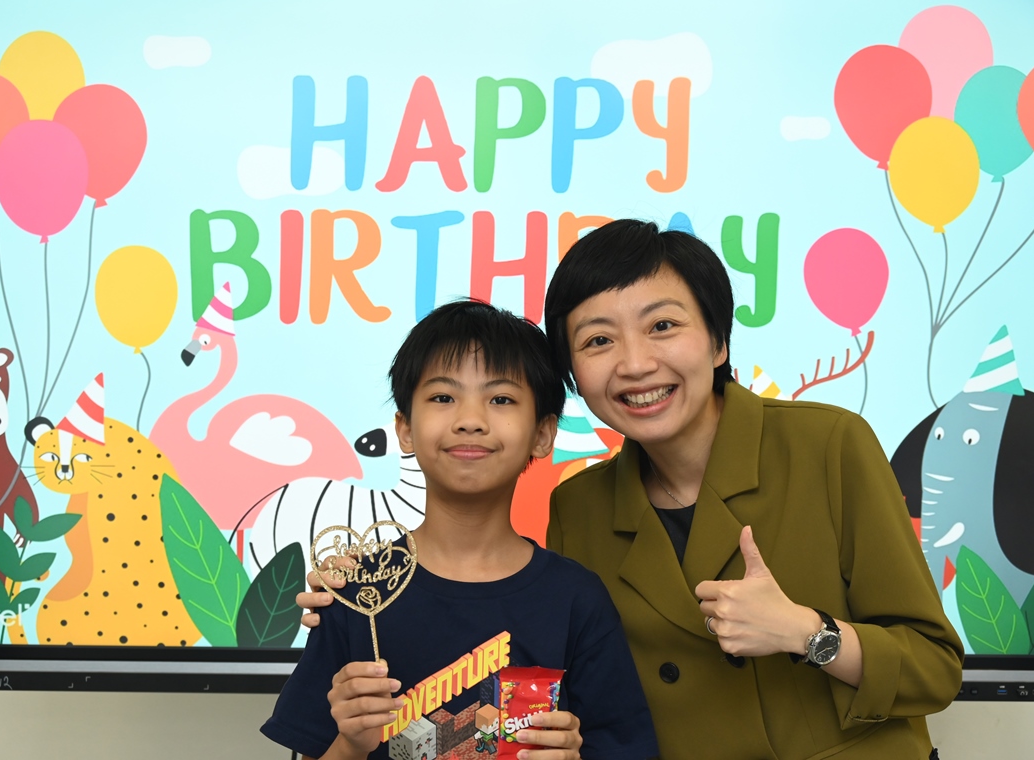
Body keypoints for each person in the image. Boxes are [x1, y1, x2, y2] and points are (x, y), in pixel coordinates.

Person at [299, 220, 965, 759]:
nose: (636, 363)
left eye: (663, 326)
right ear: (574, 377)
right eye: (598, 340)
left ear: (719, 341)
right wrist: (360, 585)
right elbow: (562, 677)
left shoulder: (829, 445)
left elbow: (935, 668)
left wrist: (806, 632)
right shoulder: (581, 506)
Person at [263, 300, 658, 760]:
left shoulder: (577, 599)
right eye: (443, 398)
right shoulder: (356, 590)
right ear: (405, 428)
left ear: (543, 434)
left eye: (501, 399)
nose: (470, 420)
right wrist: (351, 743)